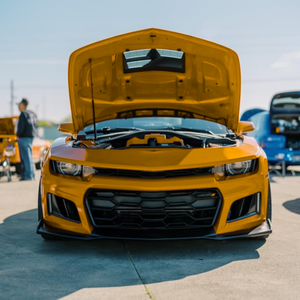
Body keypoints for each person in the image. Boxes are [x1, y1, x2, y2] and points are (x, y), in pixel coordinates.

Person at [16, 98, 38, 181]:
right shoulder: (33, 113)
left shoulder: (23, 114)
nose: (18, 107)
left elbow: (20, 128)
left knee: (26, 157)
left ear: (22, 104)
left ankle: (28, 176)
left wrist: (18, 135)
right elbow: (36, 125)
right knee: (29, 157)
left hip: (23, 138)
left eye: (19, 105)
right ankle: (31, 175)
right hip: (31, 137)